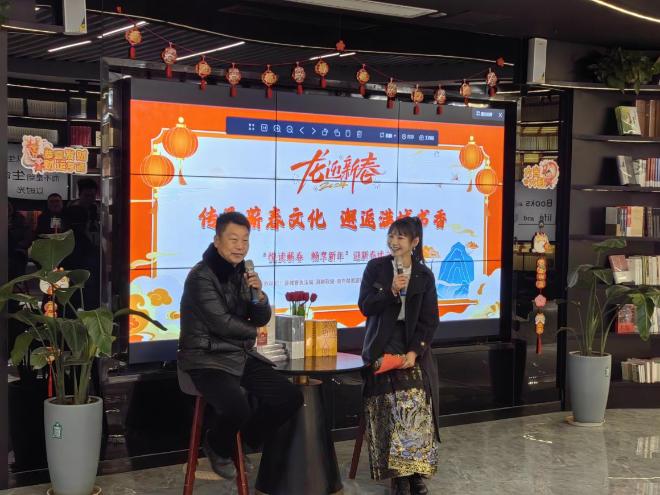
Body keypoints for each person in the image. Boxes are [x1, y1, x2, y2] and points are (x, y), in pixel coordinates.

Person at [178, 211, 303, 479]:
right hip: (206, 358)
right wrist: (256, 332)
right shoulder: (201, 276)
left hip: (239, 355)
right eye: (233, 239)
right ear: (217, 241)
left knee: (289, 397)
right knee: (238, 407)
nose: (240, 246)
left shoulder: (242, 273)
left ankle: (241, 444)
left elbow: (260, 317)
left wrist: (259, 297)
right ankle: (216, 445)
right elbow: (221, 322)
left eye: (245, 240)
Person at [358, 216, 440, 495]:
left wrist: (414, 352)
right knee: (390, 400)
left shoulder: (424, 275)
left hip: (412, 345)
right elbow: (365, 306)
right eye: (391, 236)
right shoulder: (376, 268)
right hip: (381, 345)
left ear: (414, 242)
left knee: (415, 398)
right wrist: (391, 290)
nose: (393, 242)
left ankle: (415, 474)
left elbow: (429, 320)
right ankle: (399, 477)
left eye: (400, 237)